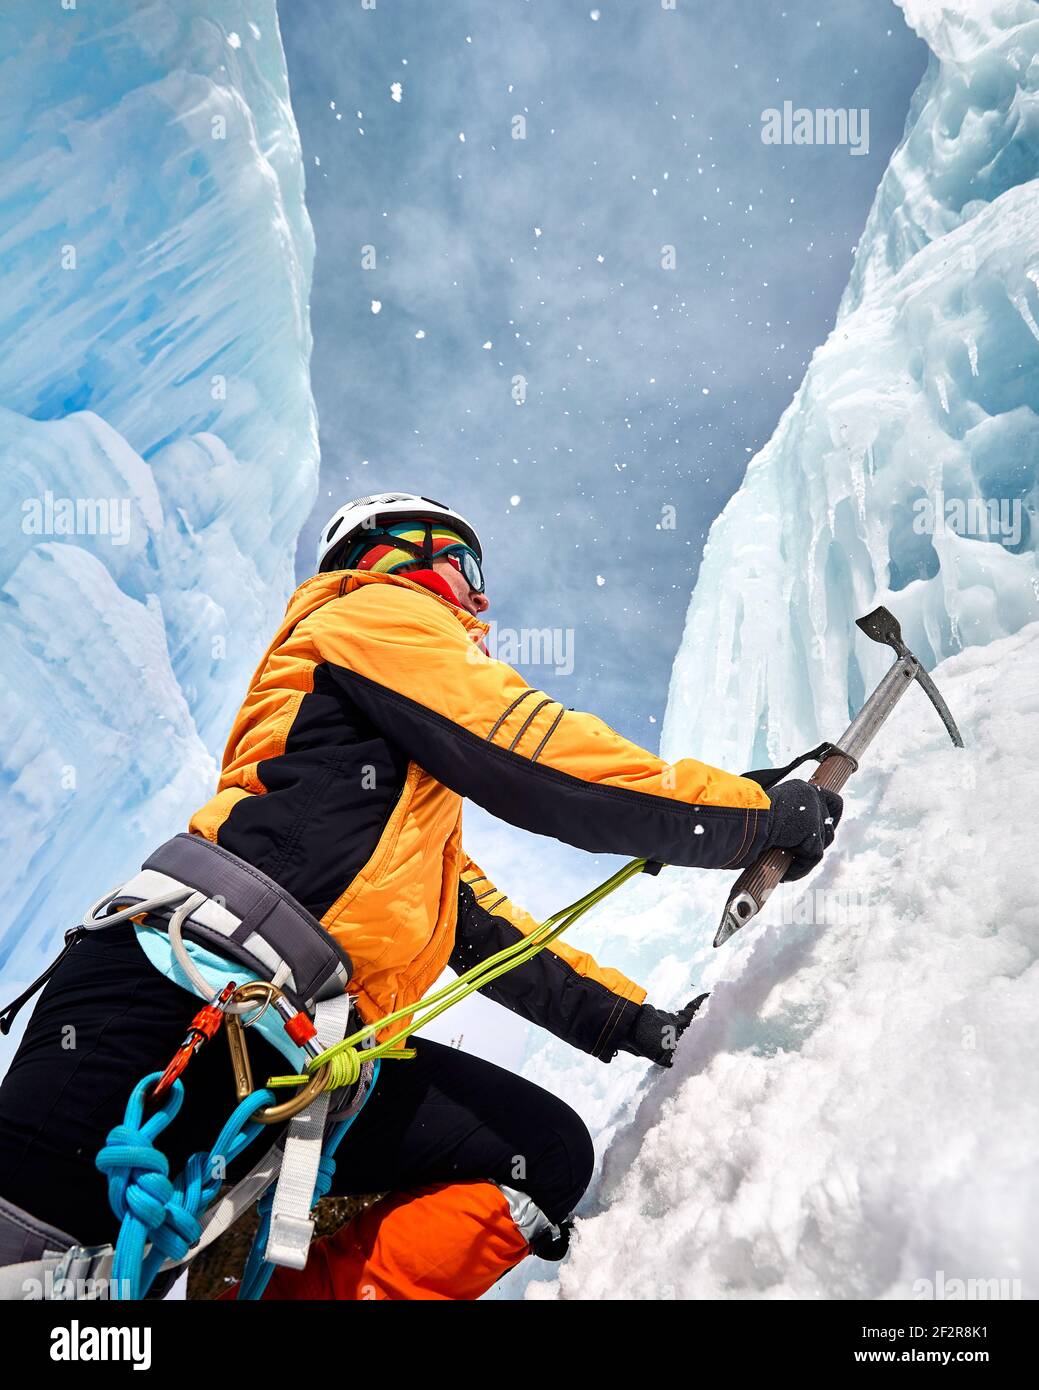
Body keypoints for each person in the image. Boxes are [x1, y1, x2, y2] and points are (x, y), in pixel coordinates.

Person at [0, 491, 842, 1300]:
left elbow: (486, 930)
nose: (479, 593)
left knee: (536, 1160)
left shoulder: (402, 819)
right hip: (175, 993)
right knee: (32, 1265)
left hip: (296, 1051)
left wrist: (632, 1022)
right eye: (464, 564)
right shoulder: (370, 612)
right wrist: (748, 819)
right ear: (390, 555)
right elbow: (538, 756)